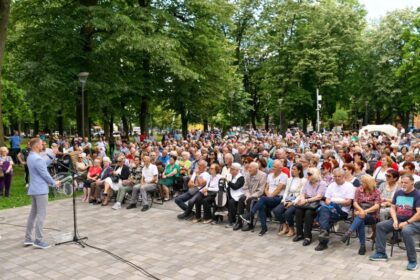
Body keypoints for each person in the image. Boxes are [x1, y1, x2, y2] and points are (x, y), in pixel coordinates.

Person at [369, 175, 420, 271]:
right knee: (380, 226)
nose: (403, 184)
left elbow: (419, 214)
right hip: (398, 219)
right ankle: (381, 253)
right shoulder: (398, 192)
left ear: (412, 183)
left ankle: (412, 261)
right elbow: (392, 208)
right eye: (402, 182)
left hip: (414, 222)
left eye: (406, 183)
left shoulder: (417, 194)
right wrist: (395, 220)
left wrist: (406, 222)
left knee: (406, 231)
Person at [24, 138, 60, 249]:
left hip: (34, 189)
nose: (42, 145)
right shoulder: (36, 158)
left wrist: (52, 154)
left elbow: (42, 163)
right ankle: (38, 240)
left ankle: (28, 238)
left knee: (33, 214)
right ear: (36, 146)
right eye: (41, 144)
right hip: (40, 190)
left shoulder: (31, 156)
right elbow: (44, 174)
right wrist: (54, 183)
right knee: (41, 215)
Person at [241, 160, 286, 236]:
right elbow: (266, 187)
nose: (272, 168)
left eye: (275, 167)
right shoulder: (270, 175)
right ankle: (264, 228)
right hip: (268, 198)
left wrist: (270, 196)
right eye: (273, 166)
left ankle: (250, 213)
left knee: (263, 199)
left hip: (278, 198)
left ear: (280, 168)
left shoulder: (284, 176)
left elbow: (279, 189)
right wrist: (268, 195)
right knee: (261, 206)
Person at [315, 168, 355, 251]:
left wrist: (334, 202)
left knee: (323, 211)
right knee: (325, 213)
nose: (336, 178)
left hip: (342, 211)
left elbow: (348, 202)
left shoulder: (349, 186)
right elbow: (326, 199)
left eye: (339, 176)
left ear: (343, 176)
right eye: (335, 176)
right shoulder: (331, 185)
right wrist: (333, 203)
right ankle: (323, 236)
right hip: (330, 209)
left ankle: (323, 238)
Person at [341, 175, 381, 255]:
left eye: (362, 182)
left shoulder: (376, 191)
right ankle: (362, 246)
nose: (361, 184)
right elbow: (355, 202)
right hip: (360, 213)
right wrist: (361, 211)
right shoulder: (359, 190)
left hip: (372, 216)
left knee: (360, 216)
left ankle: (350, 232)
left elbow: (377, 206)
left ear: (368, 183)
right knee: (361, 220)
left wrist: (364, 211)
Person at [293, 167, 327, 246]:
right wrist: (302, 199)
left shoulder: (322, 183)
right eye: (307, 174)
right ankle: (299, 234)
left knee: (308, 213)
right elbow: (302, 193)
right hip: (307, 202)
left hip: (317, 203)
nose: (307, 175)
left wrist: (306, 201)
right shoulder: (307, 182)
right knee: (298, 211)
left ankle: (307, 237)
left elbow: (319, 196)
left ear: (314, 175)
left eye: (309, 174)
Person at [273, 163, 306, 237]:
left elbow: (301, 194)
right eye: (292, 169)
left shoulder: (303, 180)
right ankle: (285, 226)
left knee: (288, 213)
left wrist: (293, 202)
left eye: (294, 169)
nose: (292, 171)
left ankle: (292, 228)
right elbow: (286, 191)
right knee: (276, 211)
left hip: (296, 200)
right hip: (287, 199)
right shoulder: (289, 179)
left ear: (299, 171)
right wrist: (284, 200)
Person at [233, 162, 266, 232]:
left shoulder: (263, 175)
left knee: (250, 200)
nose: (248, 169)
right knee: (241, 199)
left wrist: (251, 196)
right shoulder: (247, 174)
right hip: (248, 194)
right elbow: (245, 188)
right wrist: (248, 195)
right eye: (248, 167)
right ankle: (239, 222)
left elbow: (261, 190)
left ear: (256, 169)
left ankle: (249, 223)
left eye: (250, 168)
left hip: (257, 195)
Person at [226, 163, 245, 228]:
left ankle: (232, 221)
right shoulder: (232, 176)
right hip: (231, 194)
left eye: (232, 169)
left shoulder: (241, 178)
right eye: (231, 168)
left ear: (237, 170)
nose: (230, 170)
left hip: (239, 195)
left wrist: (228, 182)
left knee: (231, 202)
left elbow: (235, 187)